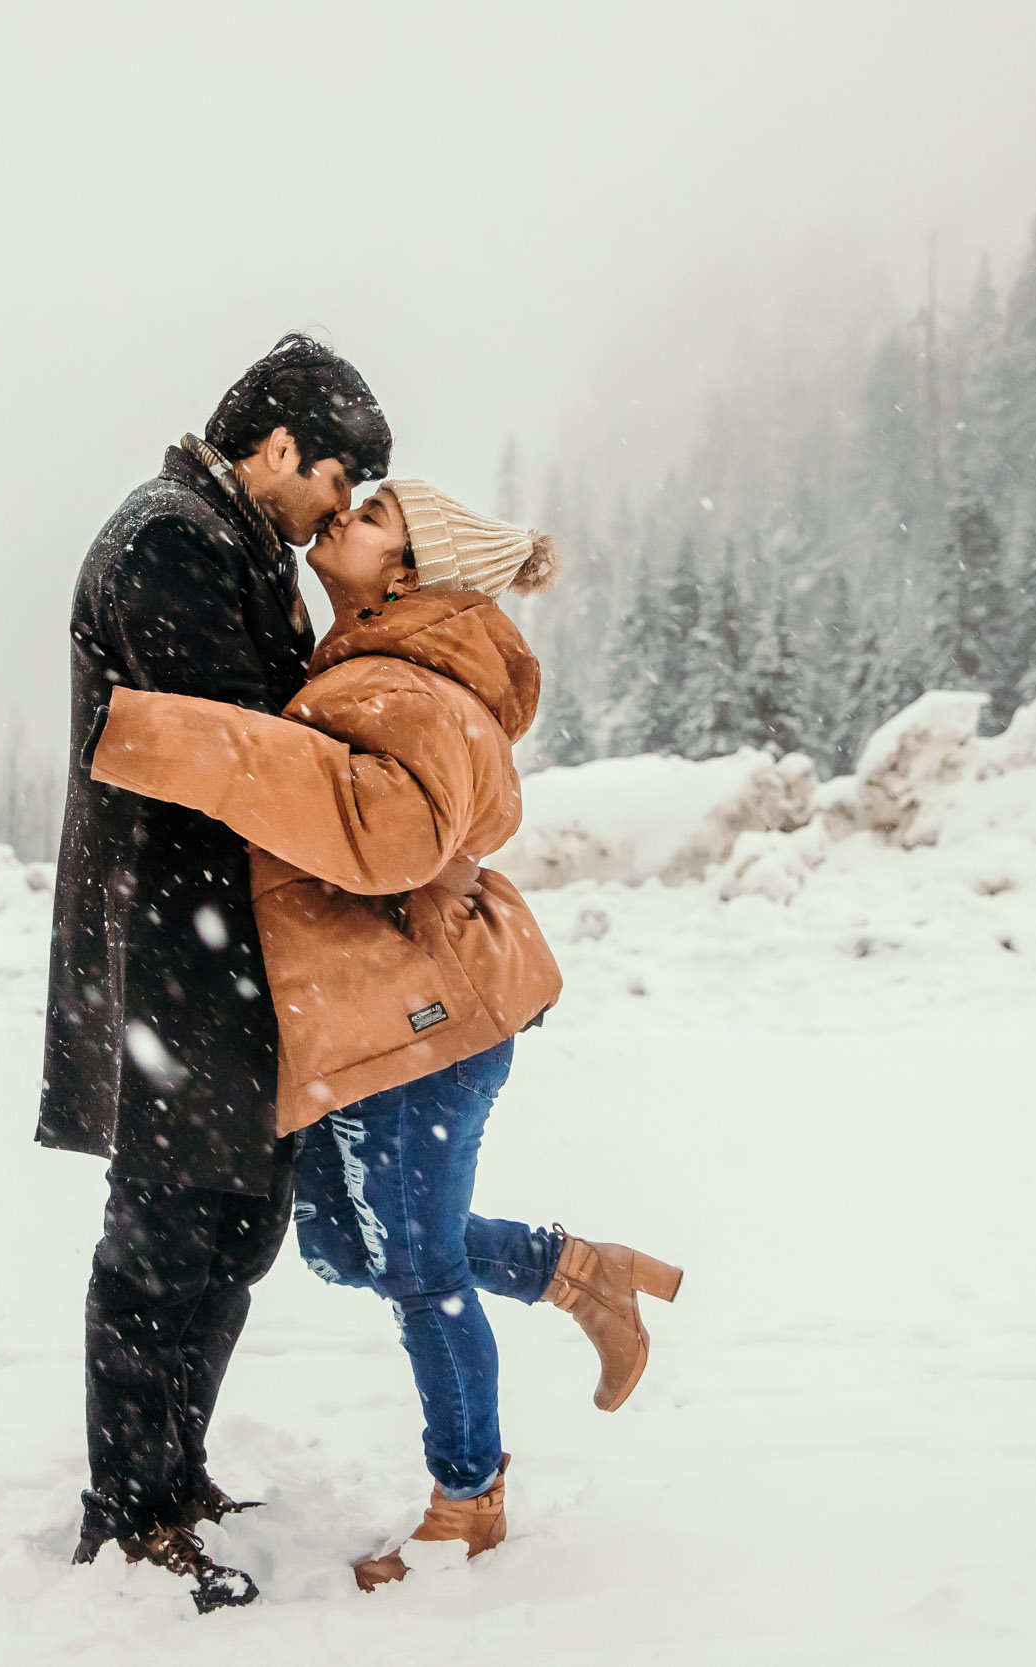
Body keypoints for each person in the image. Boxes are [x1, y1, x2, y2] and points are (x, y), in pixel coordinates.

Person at [89, 479, 683, 1593]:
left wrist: (161, 734)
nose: (338, 520)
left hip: (423, 1028)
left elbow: (391, 830)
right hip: (358, 1025)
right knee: (341, 1249)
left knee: (415, 1268)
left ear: (410, 572)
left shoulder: (410, 681)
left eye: (371, 518)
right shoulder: (367, 664)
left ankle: (469, 1496)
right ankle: (581, 1273)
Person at [38, 335, 391, 1611]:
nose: (335, 518)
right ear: (279, 446)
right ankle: (126, 1512)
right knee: (160, 1235)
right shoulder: (169, 540)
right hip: (166, 955)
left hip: (226, 954)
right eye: (336, 486)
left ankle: (175, 1476)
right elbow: (254, 749)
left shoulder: (233, 541)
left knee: (236, 1225)